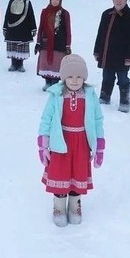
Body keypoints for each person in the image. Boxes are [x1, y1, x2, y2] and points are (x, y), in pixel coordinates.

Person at [37, 54, 105, 227]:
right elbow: (46, 119)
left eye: (79, 77)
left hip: (81, 143)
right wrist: (43, 145)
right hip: (61, 142)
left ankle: (74, 207)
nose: (74, 81)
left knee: (78, 175)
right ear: (63, 77)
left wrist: (99, 147)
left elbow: (97, 120)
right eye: (70, 76)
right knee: (60, 174)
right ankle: (59, 208)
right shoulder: (56, 95)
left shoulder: (89, 96)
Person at [93, 0, 130, 112]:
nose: (118, 1)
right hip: (107, 53)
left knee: (123, 78)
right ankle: (105, 97)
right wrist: (97, 51)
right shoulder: (106, 14)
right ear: (112, 0)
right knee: (107, 76)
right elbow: (100, 34)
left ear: (126, 0)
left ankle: (124, 101)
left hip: (123, 55)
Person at [35, 0, 71, 91]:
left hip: (59, 42)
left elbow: (68, 29)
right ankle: (47, 82)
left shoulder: (65, 13)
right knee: (45, 62)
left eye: (57, 0)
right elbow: (41, 27)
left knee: (56, 63)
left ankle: (55, 83)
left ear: (60, 1)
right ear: (50, 0)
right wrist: (38, 42)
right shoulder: (45, 12)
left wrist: (68, 45)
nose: (55, 1)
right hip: (46, 41)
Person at [3, 0, 37, 72]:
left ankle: (20, 65)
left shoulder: (27, 2)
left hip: (23, 29)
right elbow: (7, 15)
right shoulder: (11, 2)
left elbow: (31, 15)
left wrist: (33, 28)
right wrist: (5, 27)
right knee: (13, 46)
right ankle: (13, 64)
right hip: (12, 29)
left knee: (21, 47)